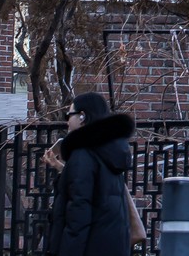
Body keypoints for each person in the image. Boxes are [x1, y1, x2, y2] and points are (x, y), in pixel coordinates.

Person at [44, 92, 137, 256]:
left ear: (82, 116)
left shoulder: (82, 154)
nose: (67, 121)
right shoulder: (109, 151)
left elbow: (78, 217)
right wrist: (61, 168)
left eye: (69, 114)